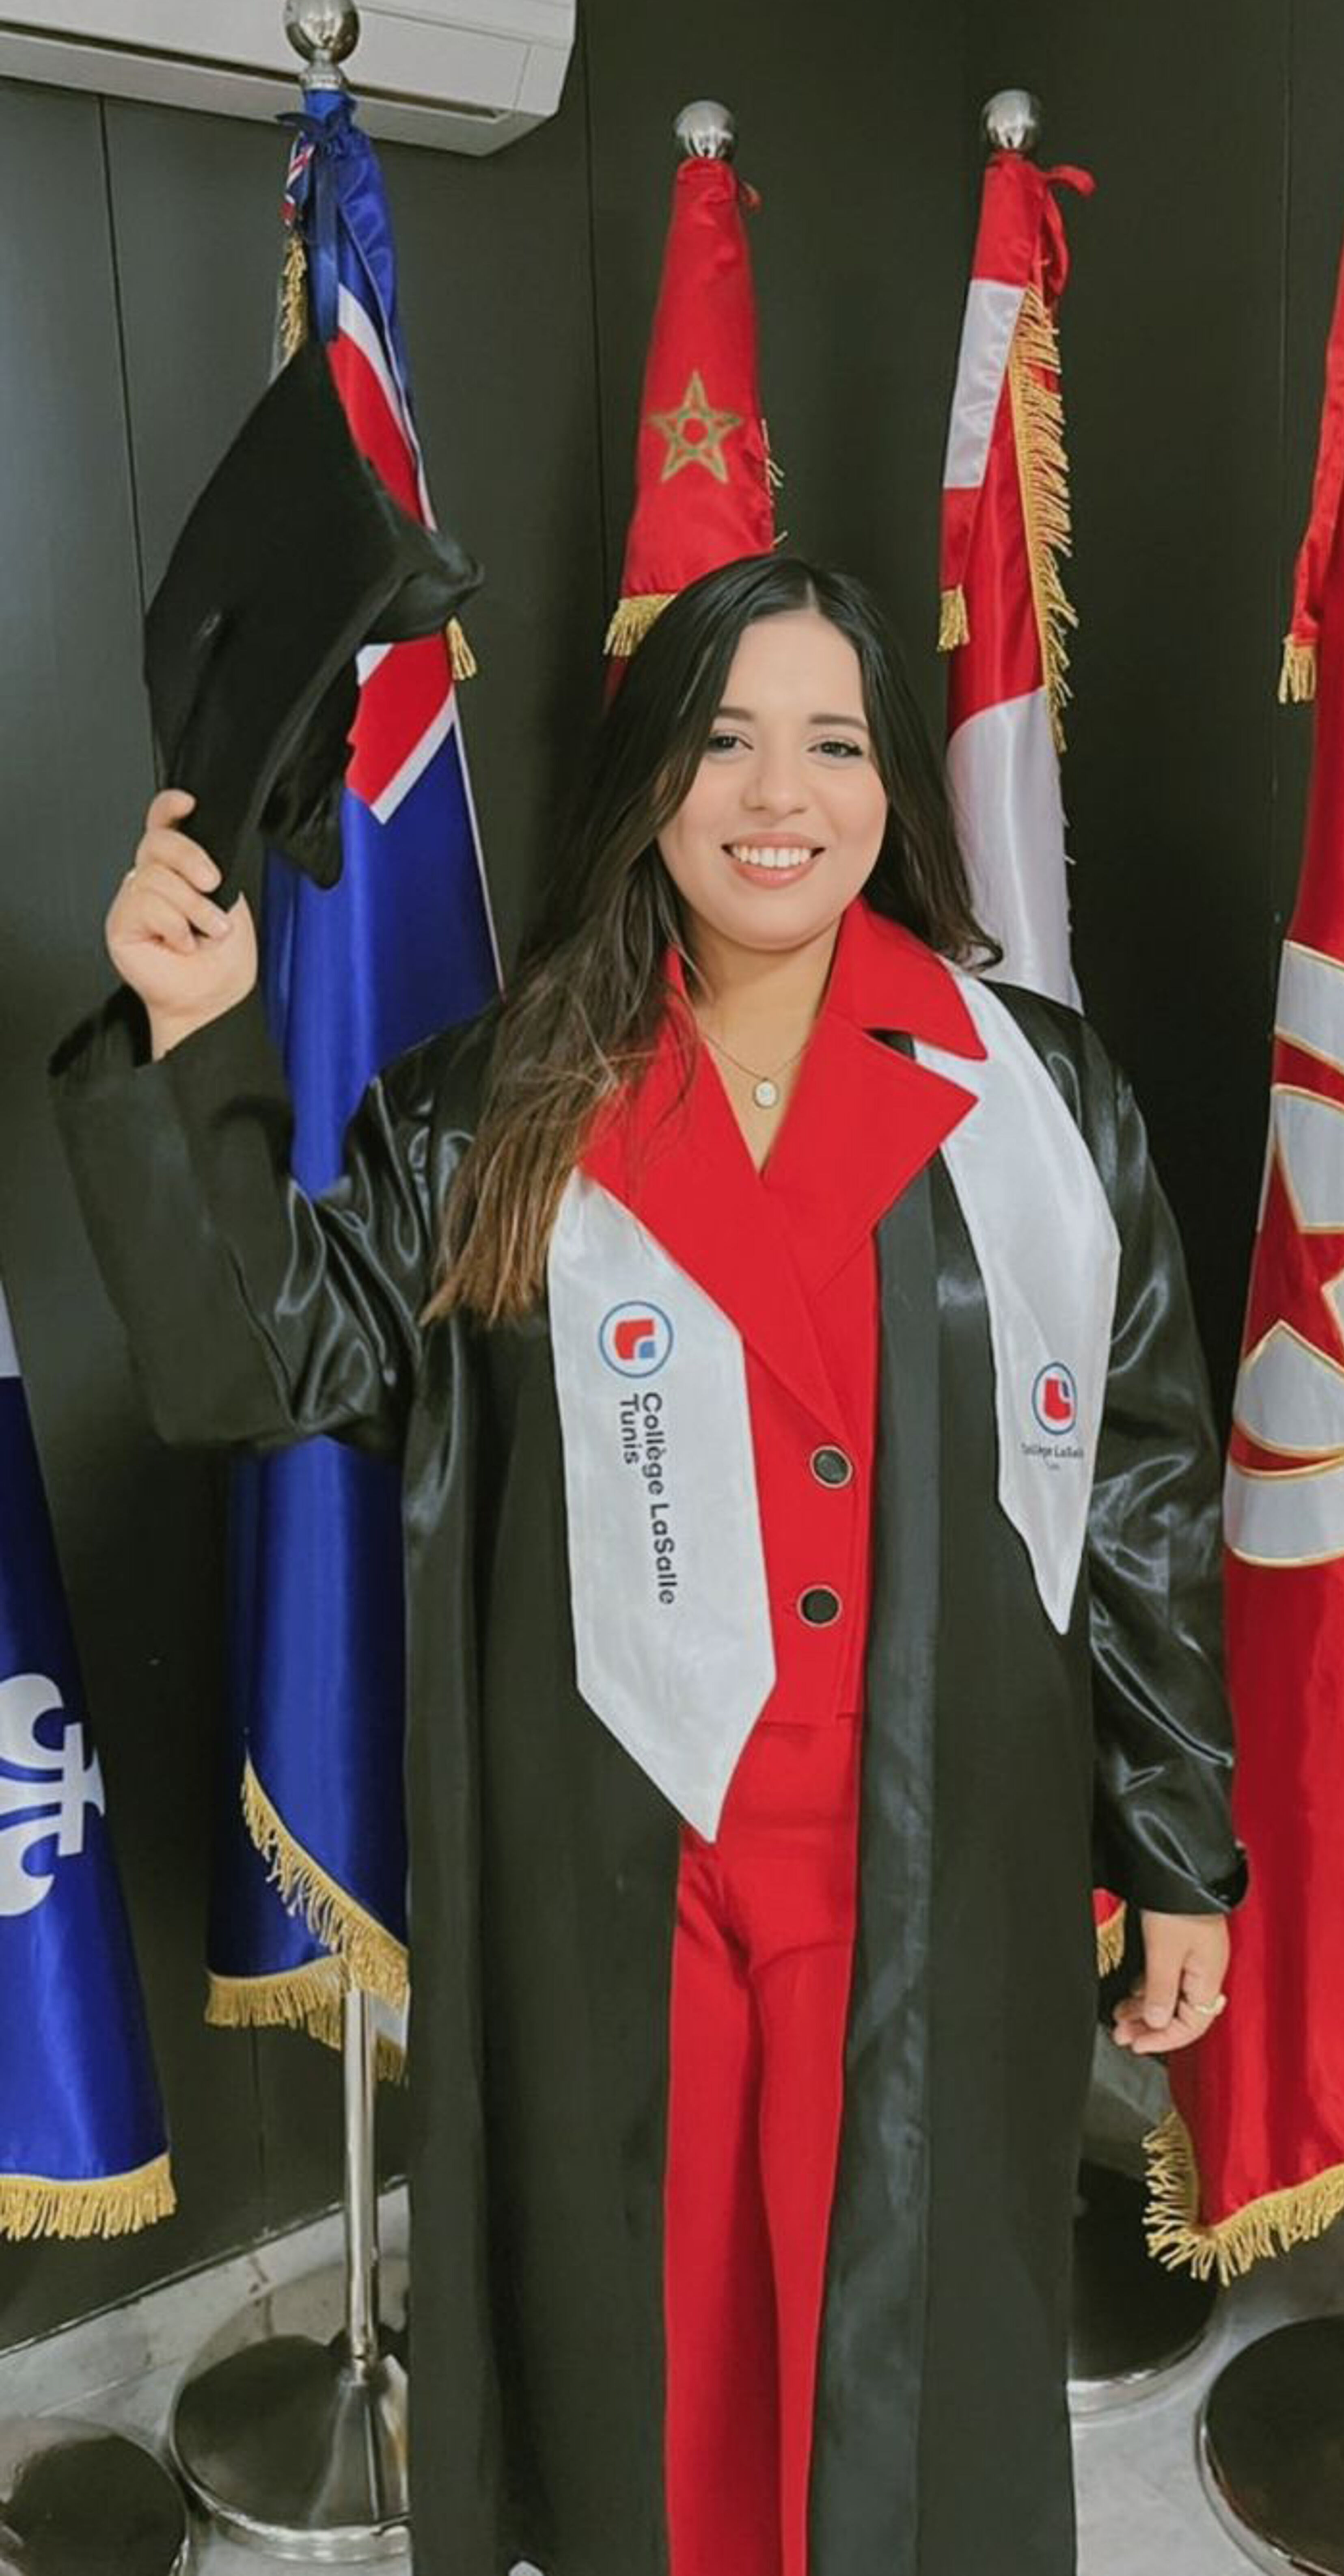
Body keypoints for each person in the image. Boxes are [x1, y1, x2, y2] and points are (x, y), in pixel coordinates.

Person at [54, 553, 1243, 2576]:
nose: (780, 792)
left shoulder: (1032, 1100)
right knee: (663, 2379)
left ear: (890, 791)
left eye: (835, 742)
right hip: (631, 1881)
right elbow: (259, 1359)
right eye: (725, 738)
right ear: (652, 782)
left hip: (937, 1865)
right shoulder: (507, 1105)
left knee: (908, 2387)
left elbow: (1137, 1484)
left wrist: (1182, 1849)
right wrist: (177, 1047)